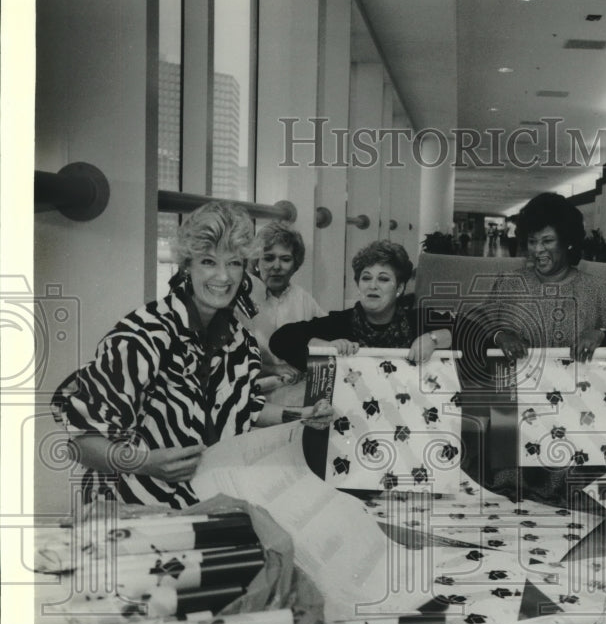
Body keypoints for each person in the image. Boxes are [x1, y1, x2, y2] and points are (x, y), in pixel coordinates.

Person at [50, 202, 332, 508]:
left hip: (204, 502)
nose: (223, 277)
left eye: (234, 263)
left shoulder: (239, 341)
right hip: (129, 507)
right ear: (187, 265)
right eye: (209, 262)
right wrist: (143, 462)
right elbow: (79, 445)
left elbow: (245, 408)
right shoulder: (143, 335)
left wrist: (301, 417)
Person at [489, 192, 606, 363]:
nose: (537, 250)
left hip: (583, 387)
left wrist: (603, 336)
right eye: (532, 241)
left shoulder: (600, 290)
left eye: (547, 241)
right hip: (516, 386)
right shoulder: (508, 284)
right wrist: (499, 336)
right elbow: (475, 330)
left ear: (568, 242)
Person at [269, 240, 452, 371]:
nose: (372, 286)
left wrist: (434, 338)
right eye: (366, 278)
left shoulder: (417, 320)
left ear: (399, 288)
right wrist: (318, 344)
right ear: (358, 285)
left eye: (383, 279)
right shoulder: (339, 323)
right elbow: (280, 339)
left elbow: (475, 334)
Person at [246, 221, 324, 378]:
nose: (277, 266)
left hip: (294, 387)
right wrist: (272, 369)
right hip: (253, 388)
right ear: (256, 262)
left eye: (285, 259)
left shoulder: (303, 298)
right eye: (268, 258)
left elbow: (327, 334)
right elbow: (229, 358)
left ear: (295, 264)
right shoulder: (243, 297)